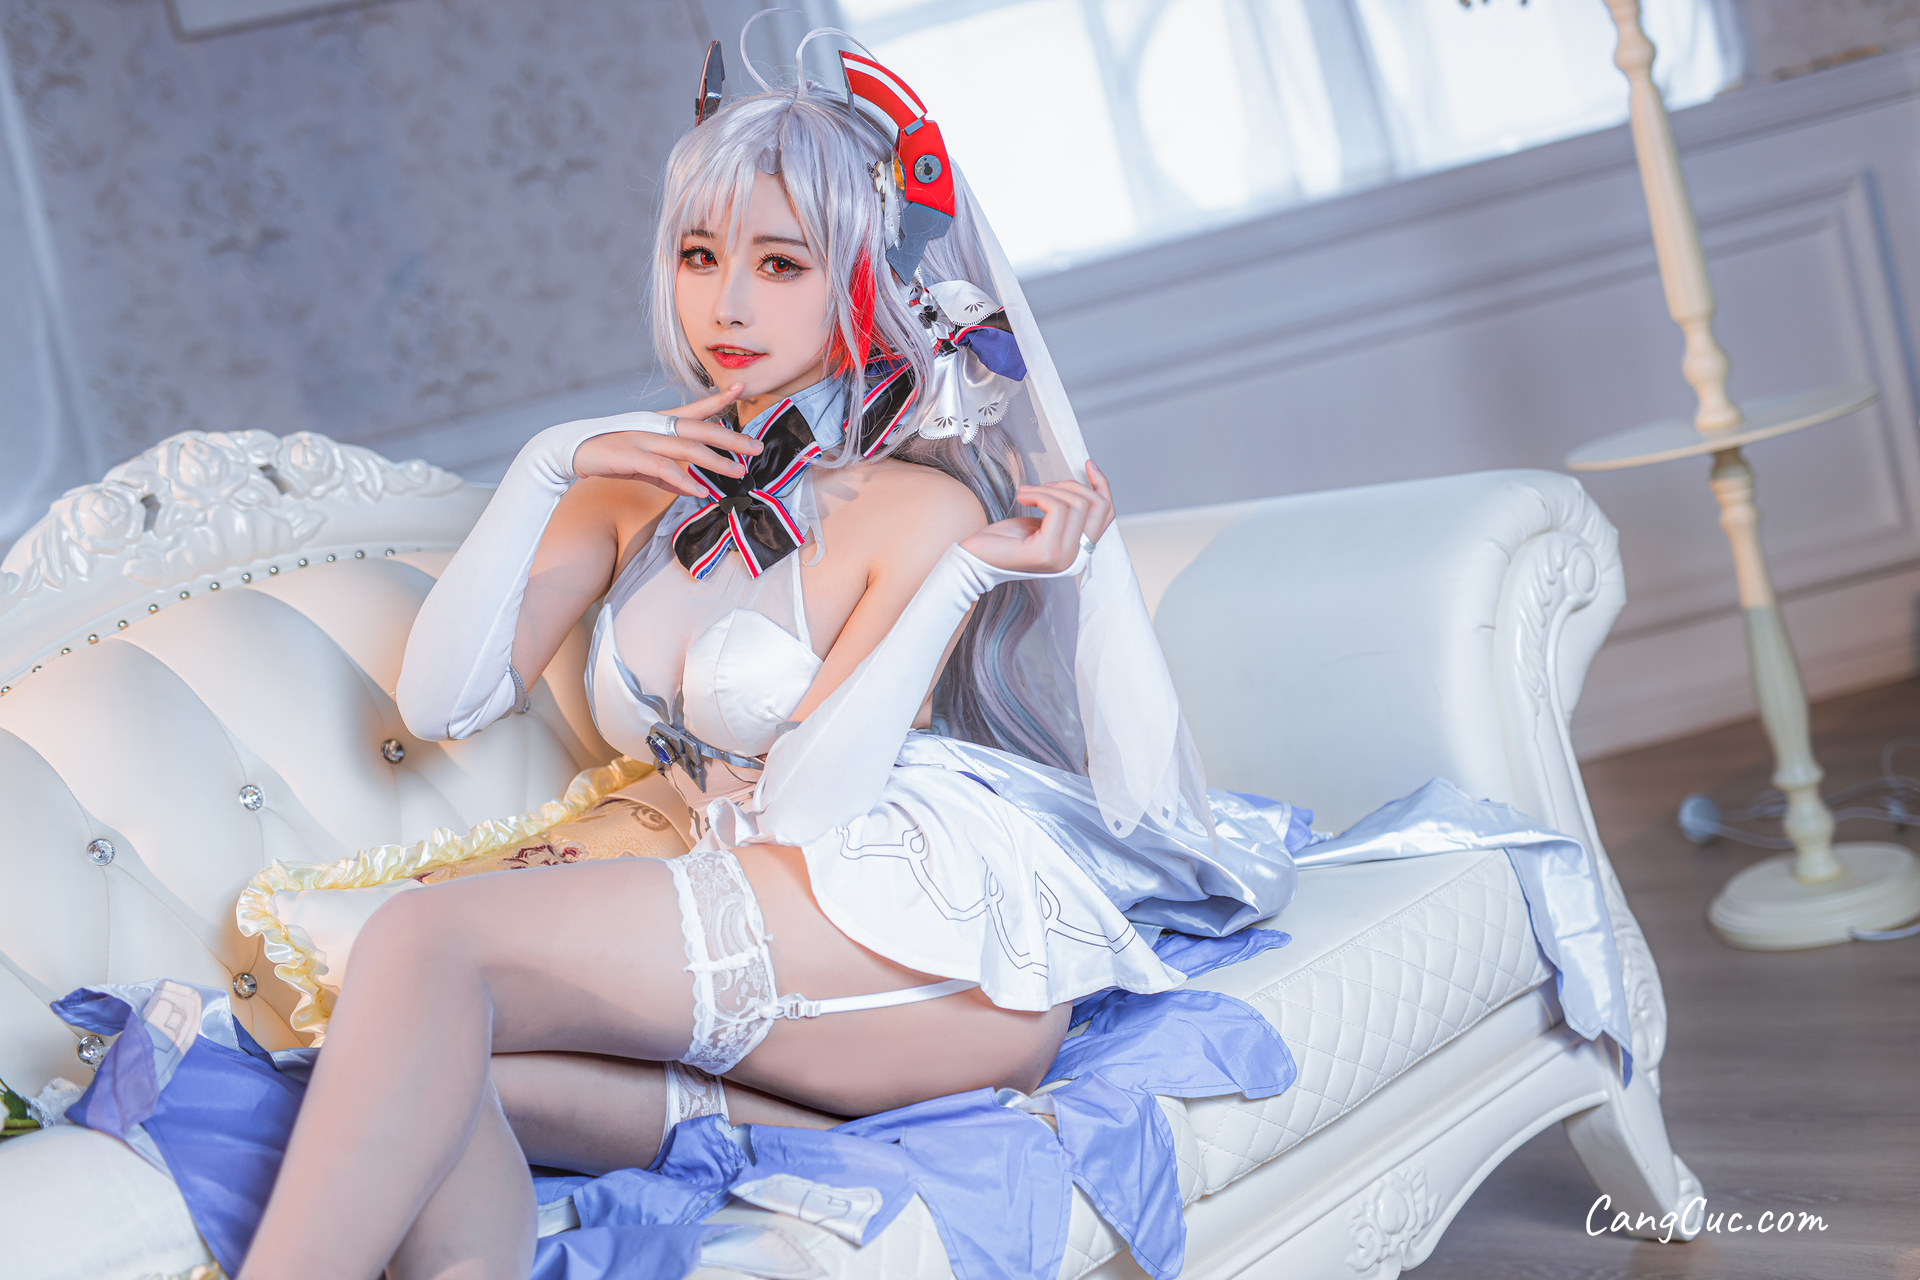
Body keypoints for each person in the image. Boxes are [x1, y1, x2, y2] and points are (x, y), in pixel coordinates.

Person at [237, 34, 1299, 1280]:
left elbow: (806, 802)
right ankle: (750, 1131)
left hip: (921, 948)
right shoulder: (630, 486)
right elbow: (441, 701)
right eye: (700, 256)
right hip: (753, 916)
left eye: (780, 263)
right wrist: (544, 463)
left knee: (421, 941)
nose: (726, 304)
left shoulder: (918, 509)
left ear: (862, 280)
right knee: (430, 1062)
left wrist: (963, 577)